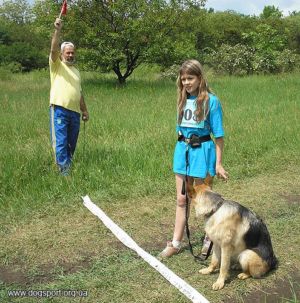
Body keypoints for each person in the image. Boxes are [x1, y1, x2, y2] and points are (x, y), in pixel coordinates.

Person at [159, 59, 228, 258]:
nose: (187, 83)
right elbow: (180, 130)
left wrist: (218, 163)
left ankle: (211, 238)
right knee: (182, 199)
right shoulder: (182, 100)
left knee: (204, 200)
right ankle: (175, 242)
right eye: (183, 79)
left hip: (203, 152)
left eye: (190, 78)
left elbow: (219, 136)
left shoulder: (211, 101)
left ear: (200, 78)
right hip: (183, 152)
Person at [49, 18, 89, 176]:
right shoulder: (56, 65)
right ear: (62, 53)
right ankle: (64, 174)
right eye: (68, 52)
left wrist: (84, 110)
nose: (71, 55)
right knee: (61, 143)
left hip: (74, 113)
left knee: (71, 144)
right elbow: (53, 50)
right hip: (59, 109)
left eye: (72, 52)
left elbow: (79, 92)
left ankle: (68, 168)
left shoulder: (76, 71)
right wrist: (57, 30)